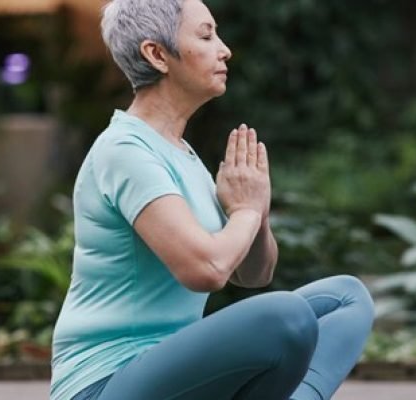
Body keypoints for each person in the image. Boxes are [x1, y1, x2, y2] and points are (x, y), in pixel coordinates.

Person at [50, 0, 374, 399]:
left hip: (170, 374)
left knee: (347, 297)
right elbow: (206, 268)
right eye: (206, 35)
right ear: (157, 54)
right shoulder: (124, 151)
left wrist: (258, 213)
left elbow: (253, 275)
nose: (224, 49)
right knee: (285, 317)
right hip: (105, 383)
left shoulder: (181, 153)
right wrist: (245, 210)